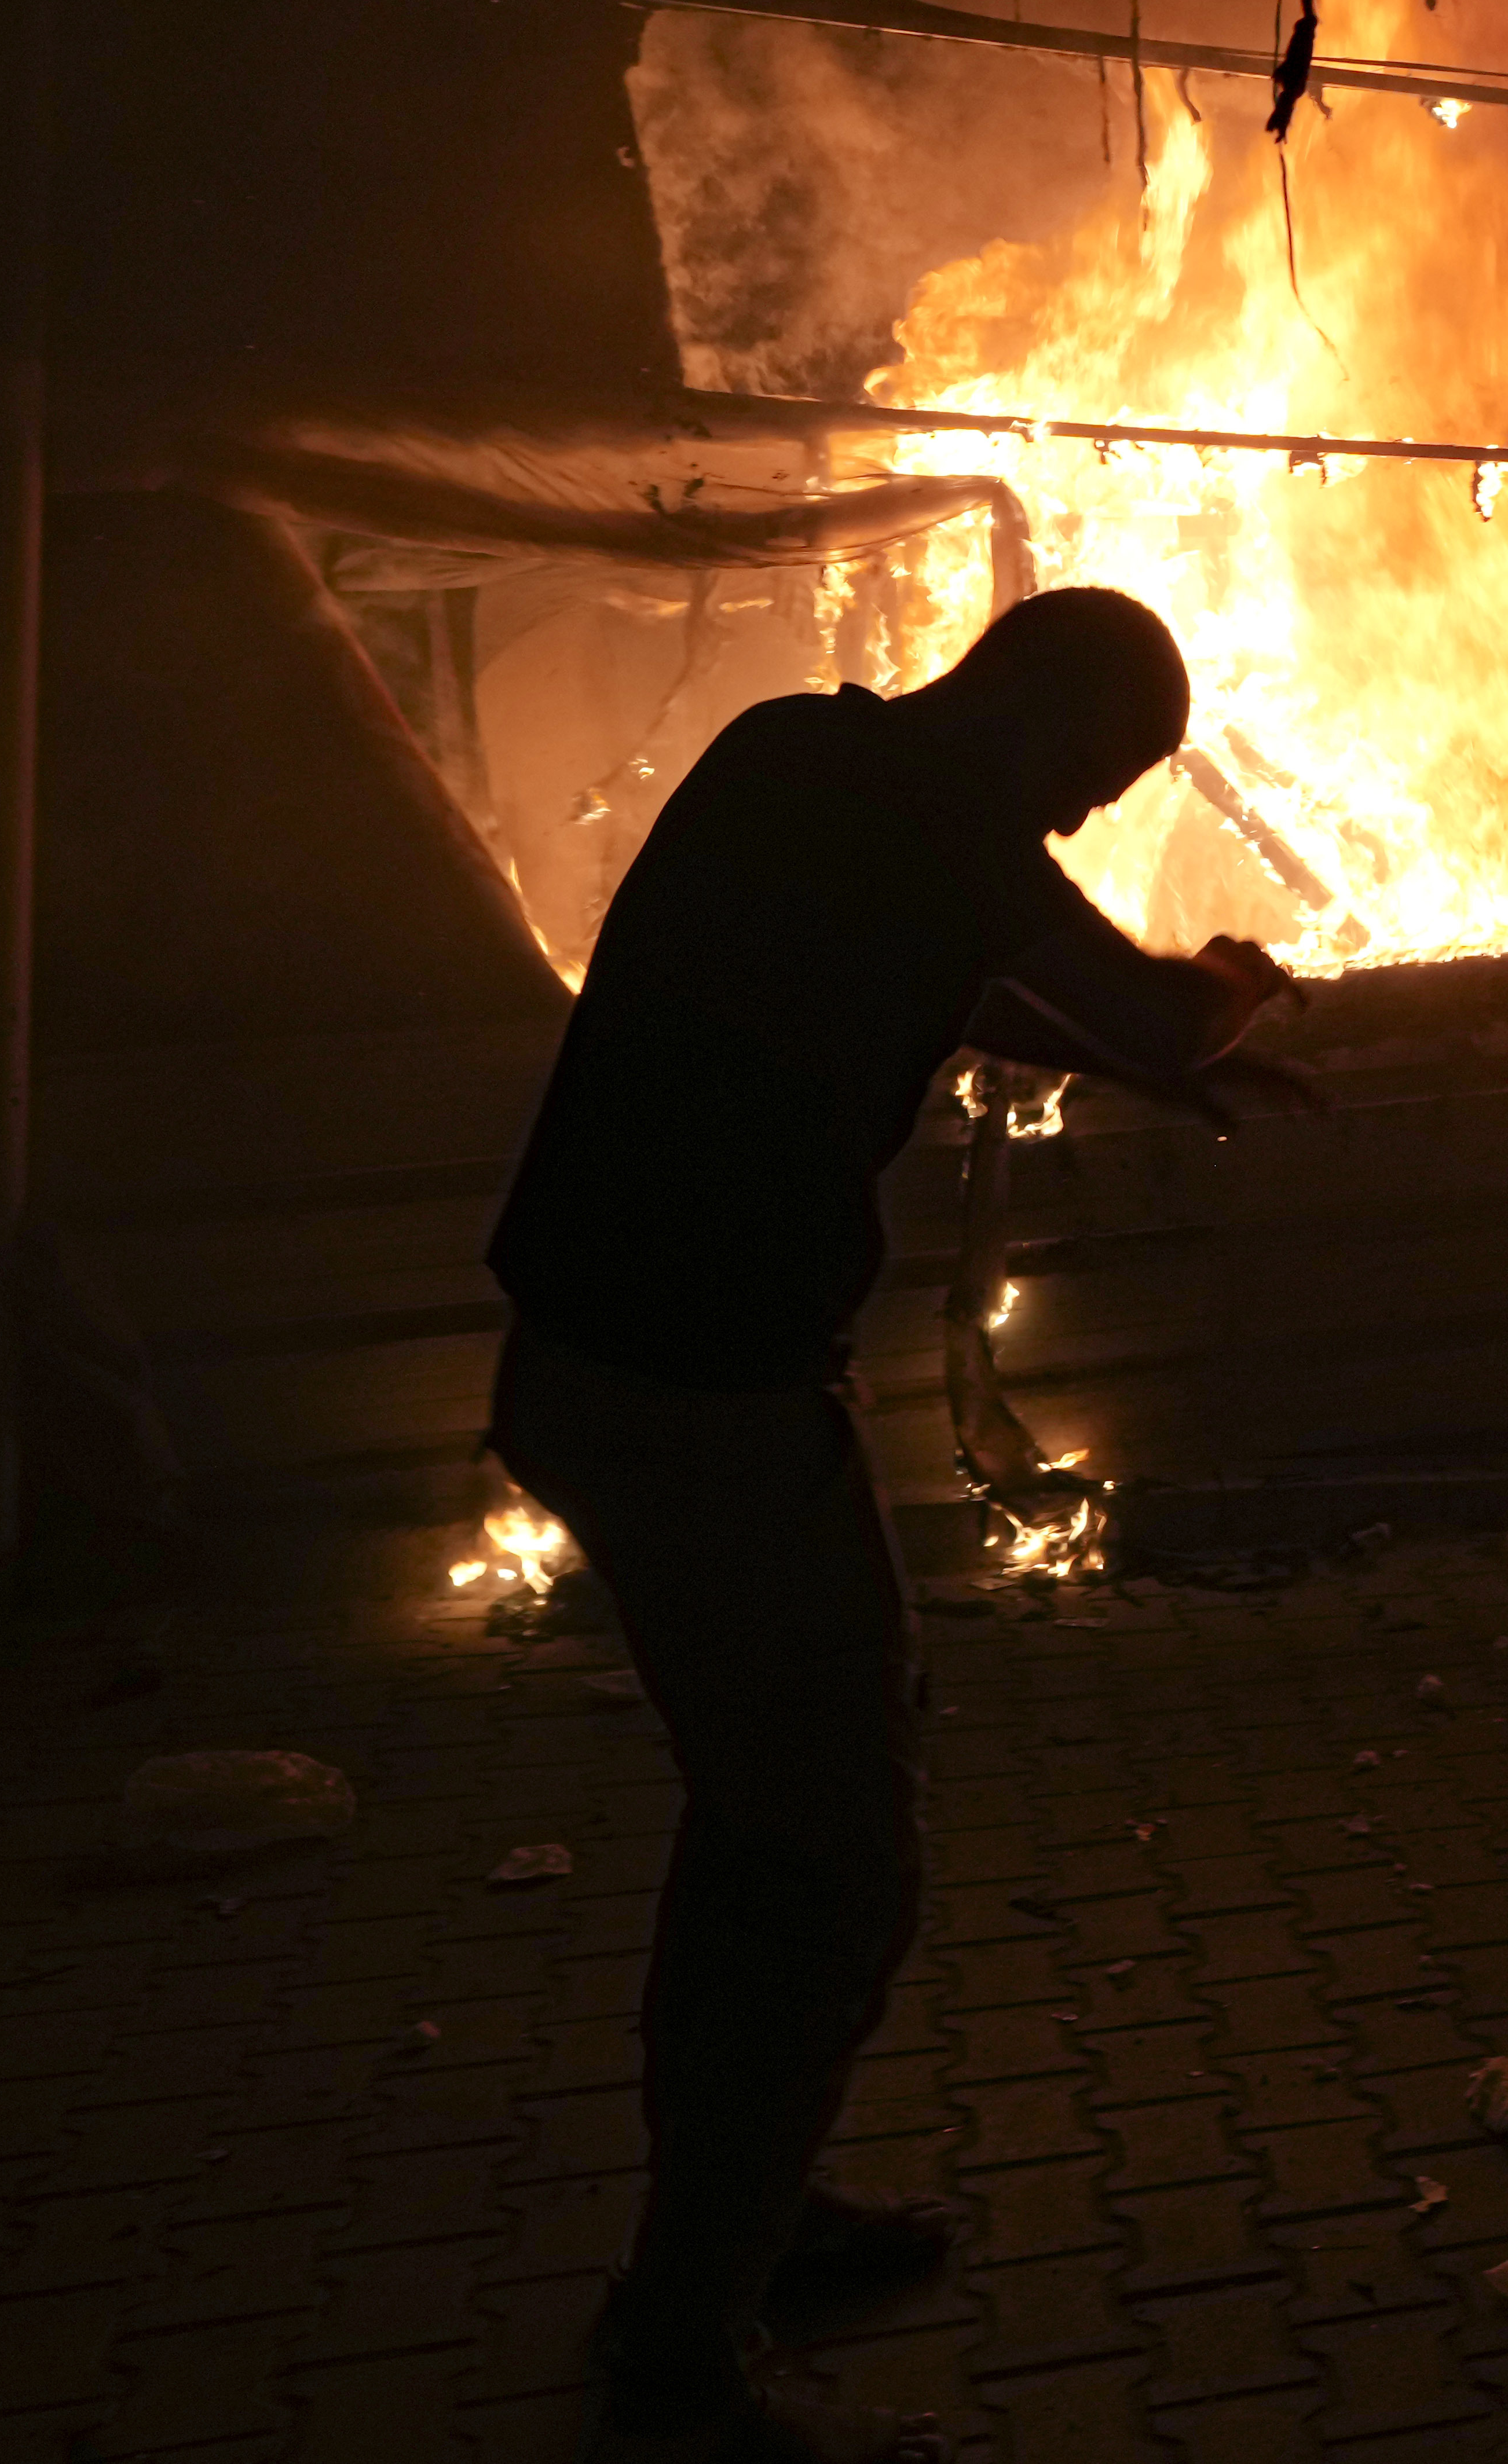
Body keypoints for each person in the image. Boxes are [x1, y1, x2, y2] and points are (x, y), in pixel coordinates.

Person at [483, 589, 1315, 2462]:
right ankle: (683, 2338)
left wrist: (1142, 1060)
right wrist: (1227, 985)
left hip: (609, 1368)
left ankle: (744, 2216)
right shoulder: (947, 818)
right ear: (1039, 711)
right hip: (696, 1403)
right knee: (833, 1865)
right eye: (1096, 781)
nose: (1086, 826)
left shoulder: (803, 757)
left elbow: (951, 983)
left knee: (772, 1815)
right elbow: (1137, 988)